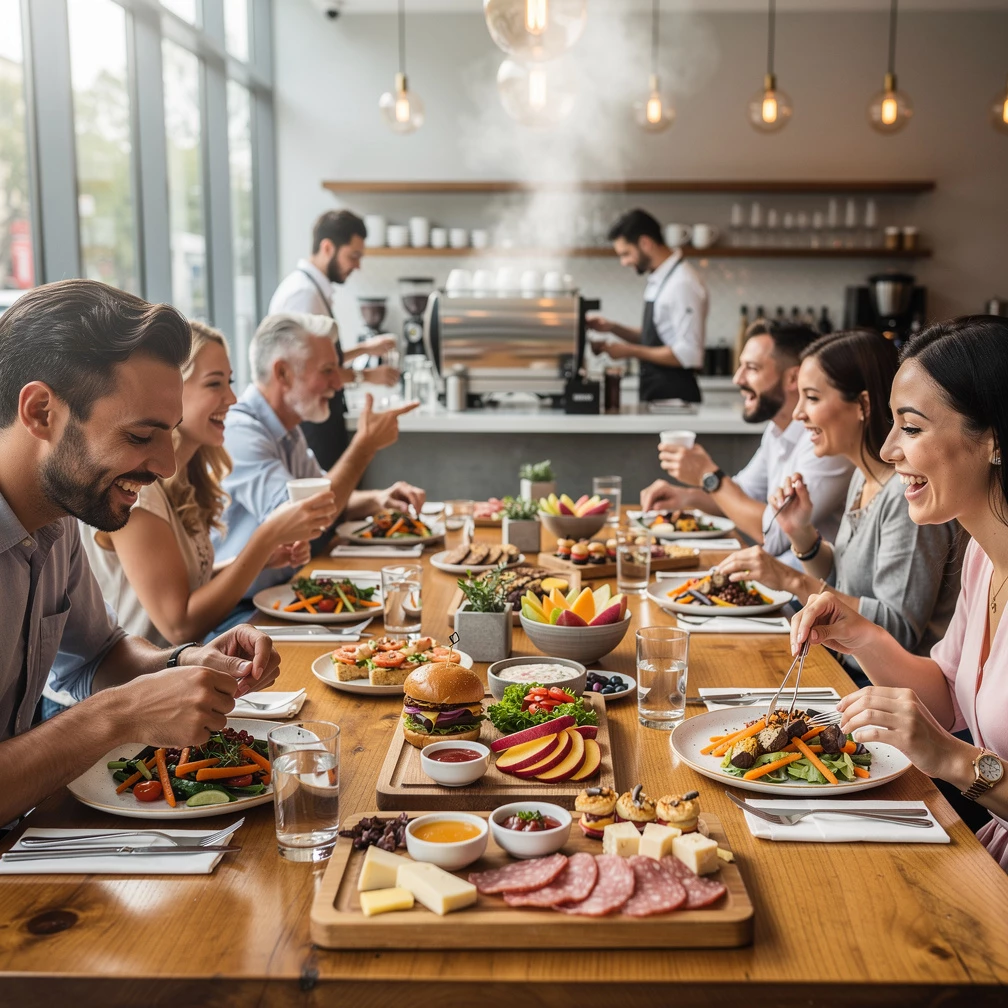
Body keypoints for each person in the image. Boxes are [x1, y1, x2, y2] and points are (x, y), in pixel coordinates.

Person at [0, 279, 280, 825]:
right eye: (139, 436)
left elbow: (99, 656)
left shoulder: (59, 522)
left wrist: (183, 661)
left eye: (169, 435)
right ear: (40, 412)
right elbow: (110, 700)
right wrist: (120, 716)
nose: (166, 466)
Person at [791, 316, 1008, 870]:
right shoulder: (983, 559)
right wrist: (861, 635)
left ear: (994, 440)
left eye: (910, 429)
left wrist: (953, 760)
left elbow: (950, 740)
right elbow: (949, 697)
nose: (888, 450)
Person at [717, 329, 963, 680]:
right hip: (844, 666)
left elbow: (899, 630)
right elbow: (841, 585)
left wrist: (789, 579)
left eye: (812, 398)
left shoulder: (904, 493)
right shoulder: (863, 478)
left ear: (862, 404)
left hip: (881, 687)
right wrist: (801, 534)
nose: (799, 413)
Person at [78, 322, 338, 648]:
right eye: (215, 384)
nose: (231, 397)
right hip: (120, 690)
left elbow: (186, 587)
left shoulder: (189, 478)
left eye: (229, 382)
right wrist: (266, 536)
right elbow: (179, 626)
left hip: (175, 675)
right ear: (171, 392)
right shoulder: (136, 488)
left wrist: (262, 557)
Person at [215, 311, 424, 605]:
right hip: (239, 612)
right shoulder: (240, 432)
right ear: (283, 373)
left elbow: (323, 495)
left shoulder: (289, 431)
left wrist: (375, 499)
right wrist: (364, 446)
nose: (338, 383)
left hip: (281, 594)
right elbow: (304, 517)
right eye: (327, 370)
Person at [641, 321, 853, 566]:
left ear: (793, 377)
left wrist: (708, 476)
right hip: (780, 581)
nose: (737, 378)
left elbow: (775, 533)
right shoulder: (776, 429)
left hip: (808, 595)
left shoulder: (825, 441)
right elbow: (741, 495)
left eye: (751, 368)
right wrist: (686, 498)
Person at [269, 209, 400, 469]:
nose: (357, 265)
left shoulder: (312, 290)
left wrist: (363, 350)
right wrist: (368, 376)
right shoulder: (303, 295)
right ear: (327, 247)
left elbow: (316, 356)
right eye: (353, 256)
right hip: (311, 425)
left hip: (319, 419)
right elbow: (308, 373)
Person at [586, 208, 707, 404]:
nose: (624, 262)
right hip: (657, 394)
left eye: (626, 254)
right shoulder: (660, 279)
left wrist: (630, 351)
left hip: (675, 397)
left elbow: (689, 353)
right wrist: (612, 328)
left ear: (645, 243)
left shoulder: (682, 283)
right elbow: (655, 338)